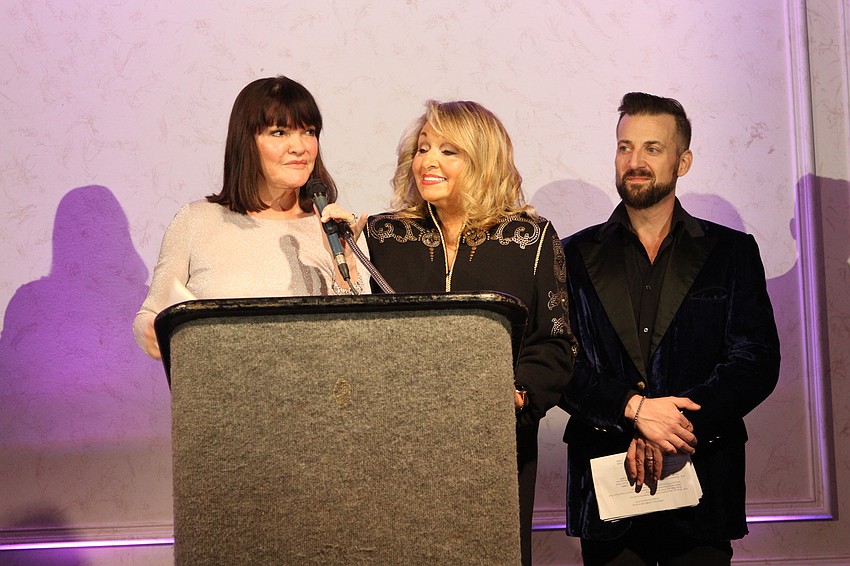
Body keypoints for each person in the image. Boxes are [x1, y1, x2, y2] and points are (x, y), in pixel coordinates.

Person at [327, 100, 576, 565]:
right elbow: (356, 338)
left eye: (449, 151)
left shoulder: (531, 237)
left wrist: (517, 396)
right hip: (397, 452)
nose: (429, 162)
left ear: (483, 160)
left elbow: (556, 342)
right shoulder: (382, 236)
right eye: (423, 149)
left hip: (495, 449)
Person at [558, 92, 780, 565]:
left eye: (652, 149)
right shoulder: (570, 255)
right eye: (624, 147)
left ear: (683, 161)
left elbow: (754, 361)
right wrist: (633, 410)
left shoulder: (731, 251)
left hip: (702, 487)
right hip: (608, 491)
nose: (634, 162)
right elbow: (560, 362)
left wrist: (671, 426)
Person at [133, 76, 367, 359]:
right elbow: (152, 314)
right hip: (220, 394)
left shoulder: (335, 228)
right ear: (246, 142)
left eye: (309, 131)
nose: (300, 147)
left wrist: (346, 266)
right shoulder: (196, 220)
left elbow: (360, 343)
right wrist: (150, 329)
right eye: (280, 132)